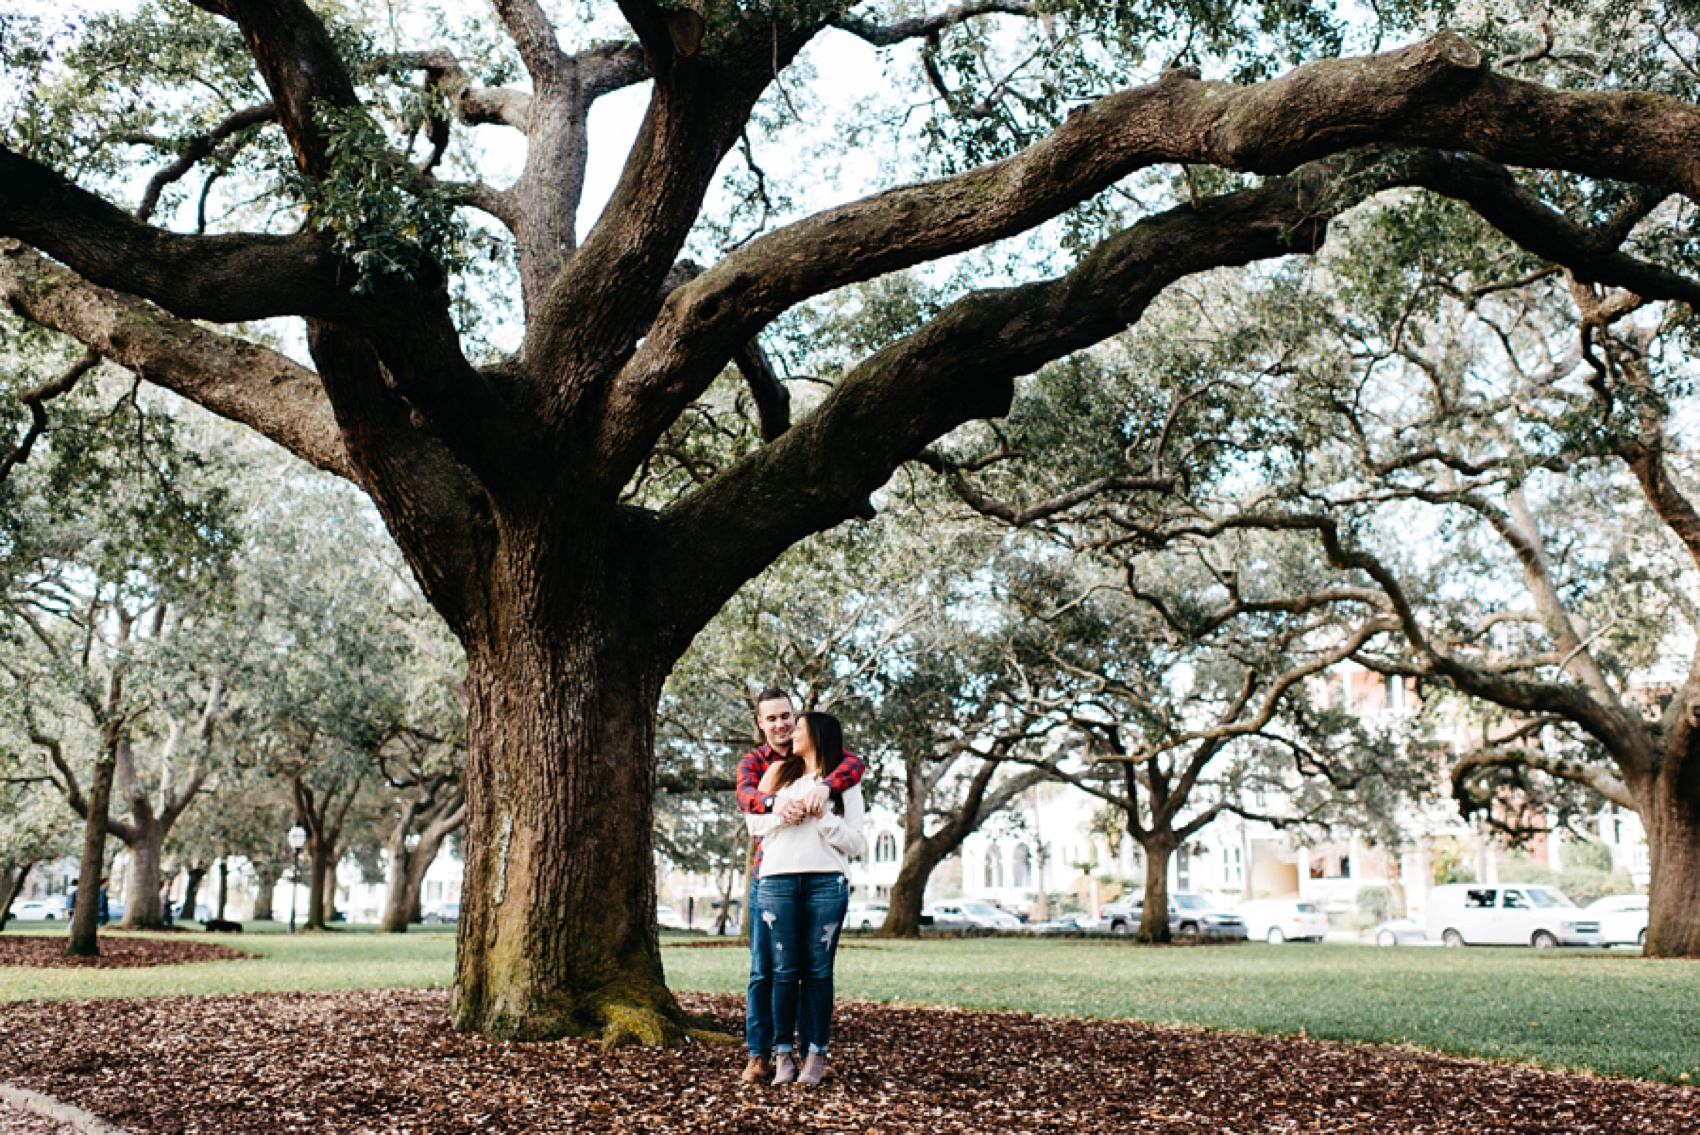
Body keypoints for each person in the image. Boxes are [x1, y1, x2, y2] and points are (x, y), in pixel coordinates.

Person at [735, 688, 864, 1085]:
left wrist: (824, 796)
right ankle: (764, 1055)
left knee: (815, 971)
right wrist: (778, 809)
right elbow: (749, 806)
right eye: (771, 719)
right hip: (770, 878)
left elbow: (854, 767)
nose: (782, 726)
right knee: (769, 972)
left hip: (824, 881)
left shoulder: (842, 772)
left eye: (789, 718)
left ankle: (814, 1054)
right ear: (760, 723)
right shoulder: (762, 765)